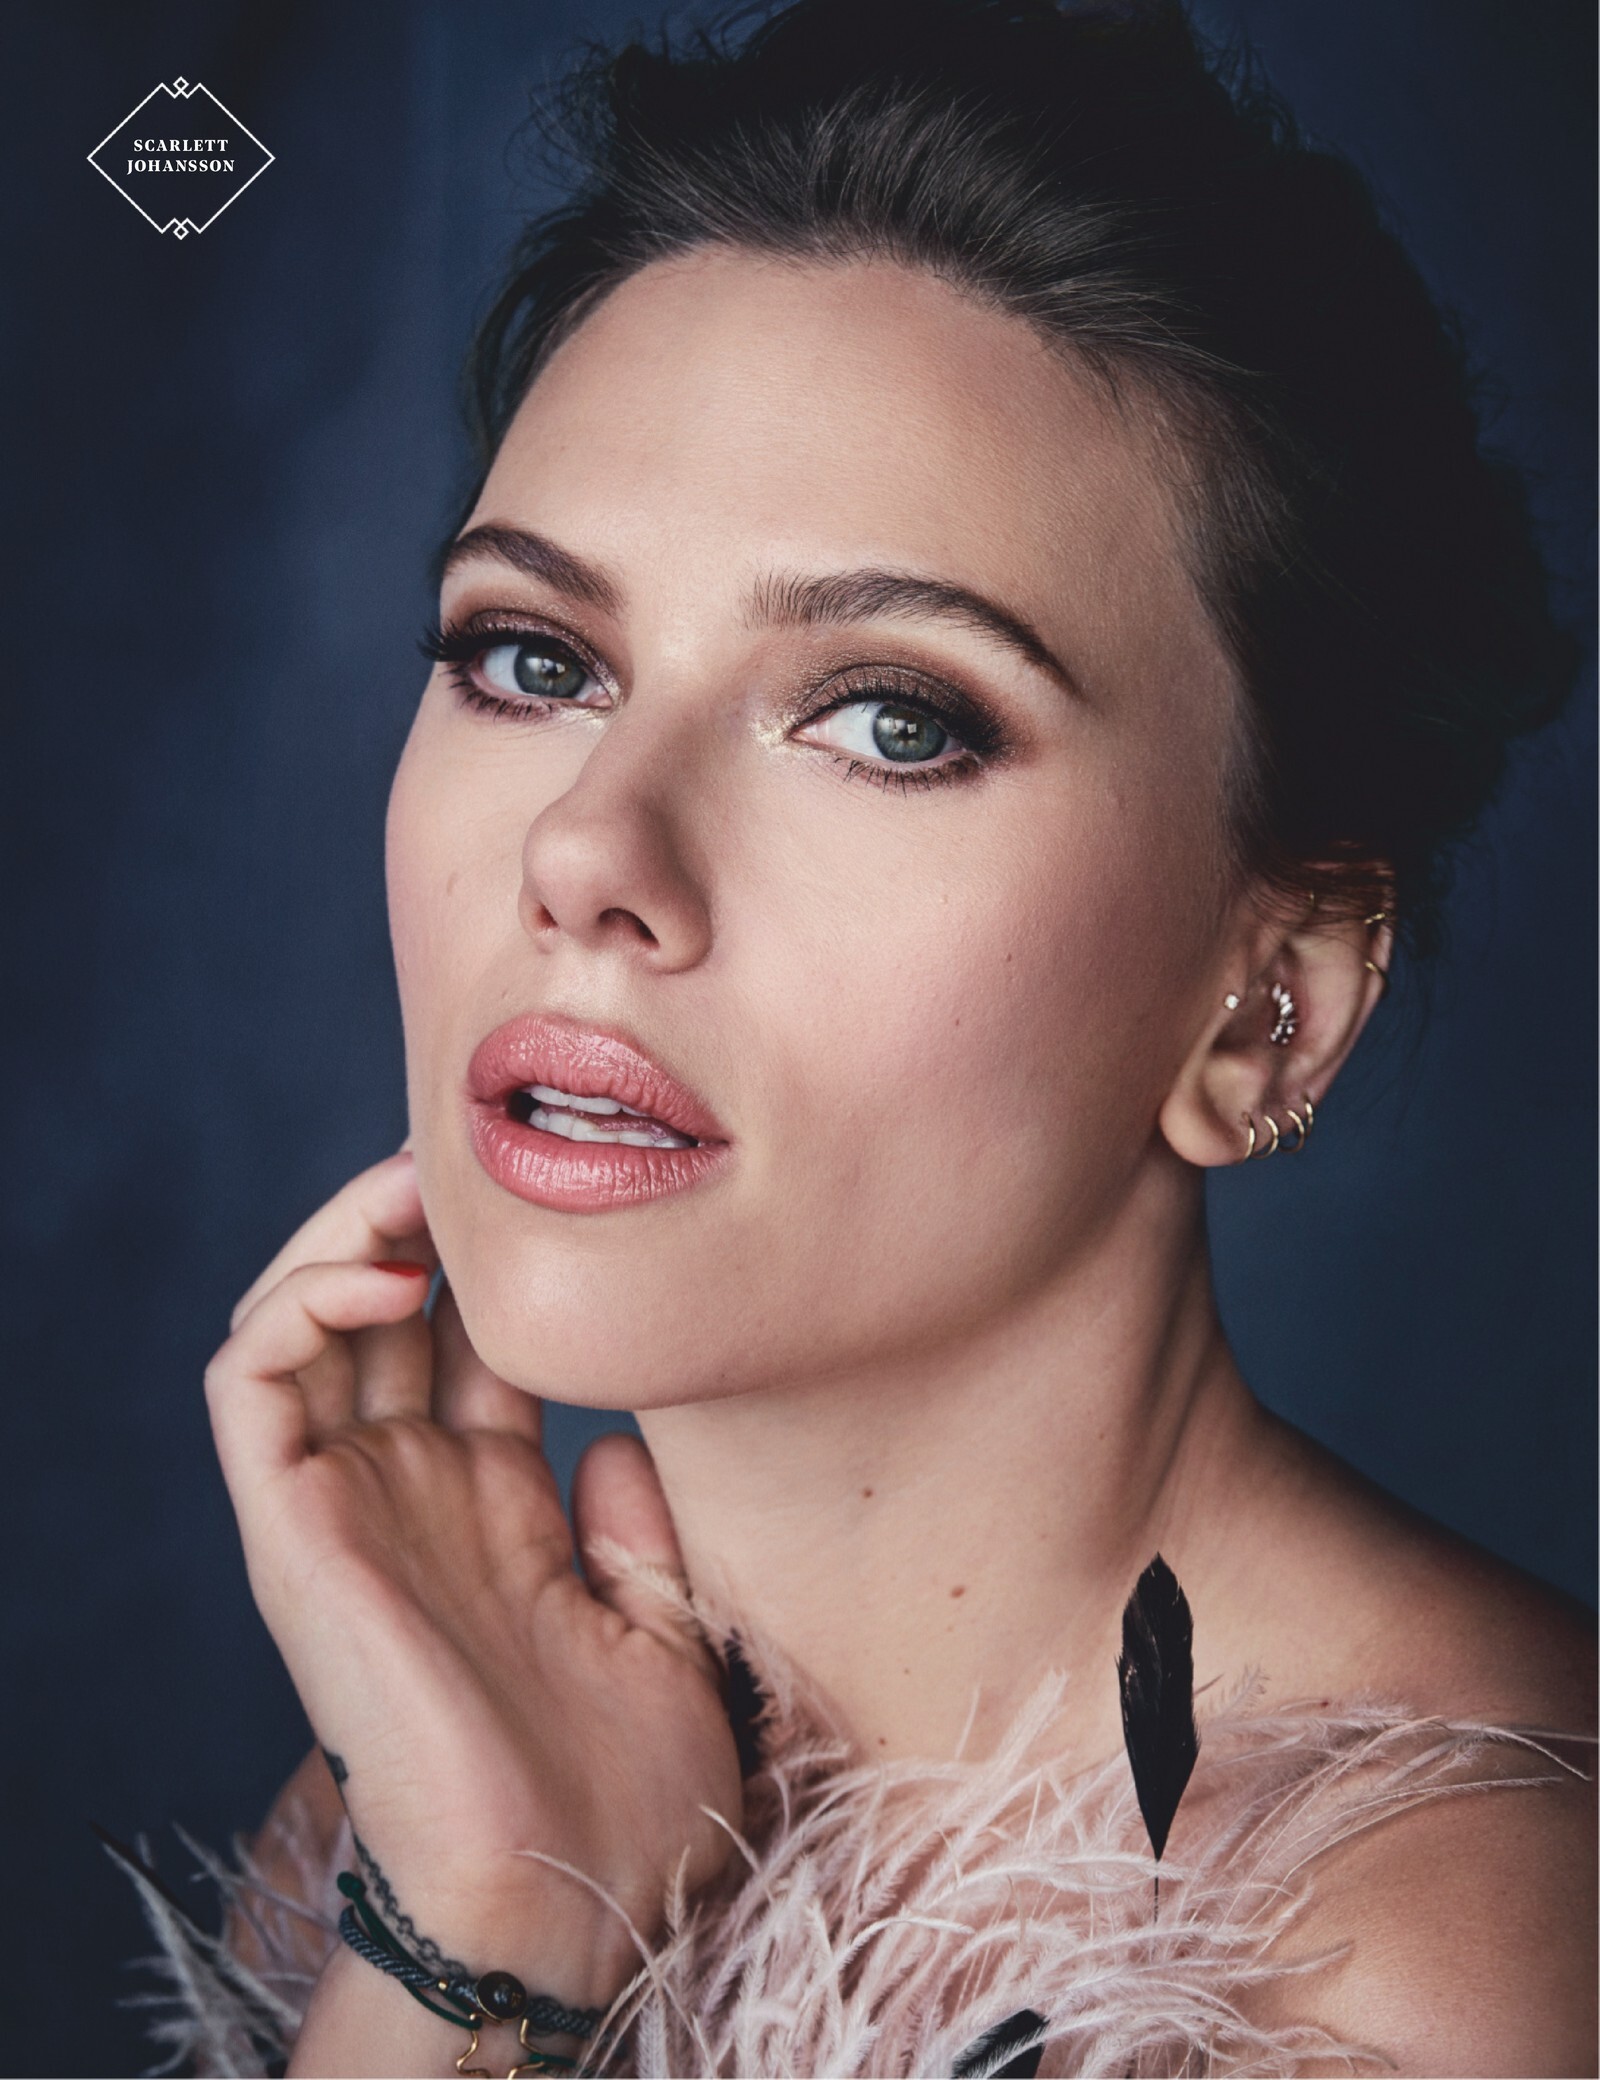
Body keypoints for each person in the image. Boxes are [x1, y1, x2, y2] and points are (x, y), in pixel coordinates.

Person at [121, 1, 1595, 2073]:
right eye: (531, 657)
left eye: (893, 719)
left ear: (1267, 1006)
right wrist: (479, 1928)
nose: (586, 850)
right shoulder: (421, 1797)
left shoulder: (1434, 1964)